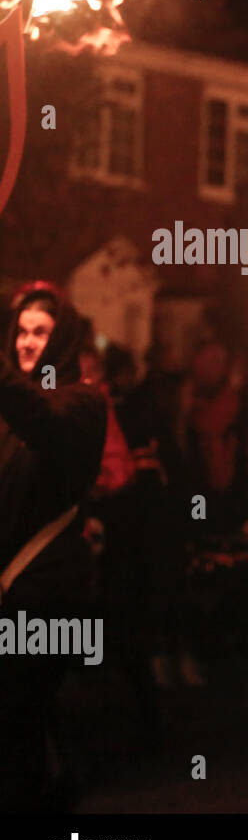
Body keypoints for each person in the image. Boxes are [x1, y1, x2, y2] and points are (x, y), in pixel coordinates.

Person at [0, 282, 108, 811]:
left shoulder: (82, 402)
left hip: (48, 586)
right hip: (10, 584)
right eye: (20, 331)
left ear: (61, 338)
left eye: (39, 332)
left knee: (22, 707)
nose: (25, 342)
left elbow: (39, 419)